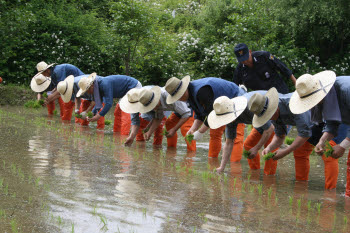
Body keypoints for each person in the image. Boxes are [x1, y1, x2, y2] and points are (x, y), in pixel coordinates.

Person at [249, 87, 338, 189]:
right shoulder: (273, 114)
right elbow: (280, 136)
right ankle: (301, 185)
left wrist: (286, 151)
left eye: (268, 115)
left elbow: (304, 134)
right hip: (310, 123)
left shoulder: (293, 105)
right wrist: (269, 147)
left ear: (274, 108)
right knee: (300, 151)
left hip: (328, 119)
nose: (268, 119)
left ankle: (330, 193)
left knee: (329, 153)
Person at [233, 43, 297, 163]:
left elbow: (283, 69)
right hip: (261, 101)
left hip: (279, 95)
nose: (245, 62)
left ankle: (280, 139)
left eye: (247, 58)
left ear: (250, 52)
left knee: (277, 125)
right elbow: (235, 88)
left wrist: (296, 83)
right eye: (242, 60)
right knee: (262, 129)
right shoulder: (240, 69)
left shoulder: (264, 57)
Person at [289, 71, 350, 192]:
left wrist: (343, 145)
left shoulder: (346, 90)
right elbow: (333, 122)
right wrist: (322, 141)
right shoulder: (326, 97)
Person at [164, 76, 246, 158]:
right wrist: (192, 129)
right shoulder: (189, 95)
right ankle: (214, 163)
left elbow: (212, 114)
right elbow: (200, 114)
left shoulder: (201, 91)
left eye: (179, 96)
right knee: (215, 133)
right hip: (220, 106)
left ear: (184, 89)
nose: (179, 99)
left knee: (234, 137)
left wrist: (200, 131)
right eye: (177, 97)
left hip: (236, 98)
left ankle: (235, 168)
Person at [208, 93, 275, 174]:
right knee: (248, 145)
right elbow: (229, 143)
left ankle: (269, 179)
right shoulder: (228, 116)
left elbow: (269, 129)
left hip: (273, 113)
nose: (227, 121)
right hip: (260, 121)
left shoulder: (250, 108)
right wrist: (222, 167)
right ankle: (255, 174)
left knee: (270, 148)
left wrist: (257, 148)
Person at [122, 86, 196, 151]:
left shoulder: (168, 97)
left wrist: (174, 129)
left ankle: (191, 154)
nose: (154, 108)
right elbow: (158, 118)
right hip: (178, 109)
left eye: (154, 106)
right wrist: (149, 132)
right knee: (169, 124)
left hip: (190, 107)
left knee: (185, 129)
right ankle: (171, 150)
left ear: (156, 99)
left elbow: (186, 113)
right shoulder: (151, 100)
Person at [76, 73, 142, 145]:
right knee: (118, 112)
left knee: (128, 112)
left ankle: (129, 137)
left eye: (87, 91)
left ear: (91, 86)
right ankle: (119, 138)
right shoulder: (97, 86)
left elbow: (109, 103)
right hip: (124, 92)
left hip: (133, 87)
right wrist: (93, 113)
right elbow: (99, 101)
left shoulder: (104, 84)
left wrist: (98, 116)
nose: (88, 93)